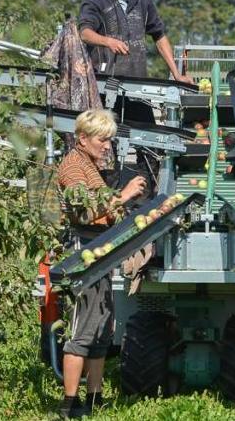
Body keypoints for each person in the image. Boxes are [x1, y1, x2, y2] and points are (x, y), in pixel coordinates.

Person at [56, 108, 147, 418]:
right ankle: (69, 403)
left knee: (101, 329)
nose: (108, 145)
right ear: (82, 139)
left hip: (98, 250)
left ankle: (95, 396)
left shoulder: (90, 165)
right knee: (82, 328)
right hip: (83, 252)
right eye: (102, 139)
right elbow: (83, 212)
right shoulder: (73, 167)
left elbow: (103, 210)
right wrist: (122, 197)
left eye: (110, 140)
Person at [78, 0, 193, 84]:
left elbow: (159, 36)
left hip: (139, 83)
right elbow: (84, 33)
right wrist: (108, 41)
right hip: (103, 83)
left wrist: (177, 74)